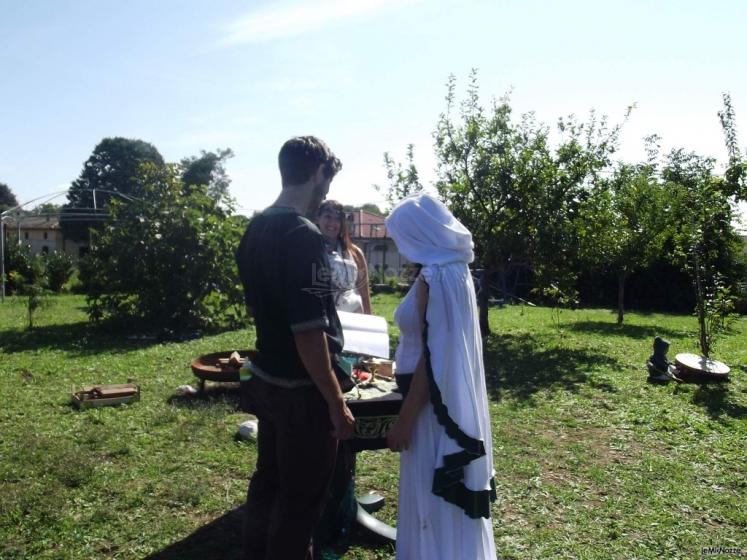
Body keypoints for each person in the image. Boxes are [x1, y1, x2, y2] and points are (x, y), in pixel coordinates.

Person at [235, 136, 355, 560]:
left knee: (267, 484)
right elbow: (308, 332)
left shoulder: (255, 227)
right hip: (302, 393)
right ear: (318, 172)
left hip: (267, 380)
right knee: (300, 504)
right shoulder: (303, 236)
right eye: (327, 180)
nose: (326, 191)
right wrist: (335, 401)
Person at [385, 193, 497, 560]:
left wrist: (403, 420)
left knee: (431, 504)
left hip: (430, 413)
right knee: (432, 507)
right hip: (431, 405)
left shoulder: (438, 275)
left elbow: (433, 360)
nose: (398, 245)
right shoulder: (450, 269)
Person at [316, 199, 372, 314]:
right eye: (328, 217)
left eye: (337, 219)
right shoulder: (309, 250)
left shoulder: (355, 253)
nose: (332, 223)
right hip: (323, 318)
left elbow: (365, 294)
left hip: (354, 316)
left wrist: (369, 320)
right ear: (318, 219)